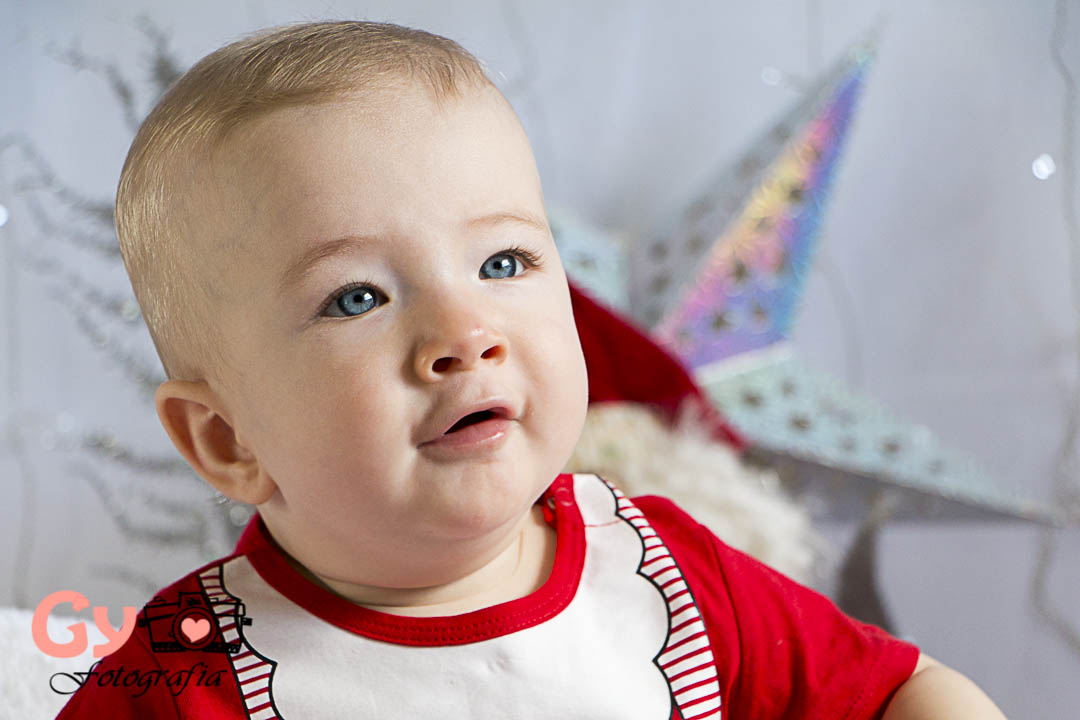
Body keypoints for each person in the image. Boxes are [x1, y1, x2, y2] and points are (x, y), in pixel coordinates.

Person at [57, 20, 1006, 719]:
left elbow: (906, 691)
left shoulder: (662, 574)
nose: (466, 332)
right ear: (226, 439)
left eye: (502, 263)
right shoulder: (191, 676)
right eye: (357, 297)